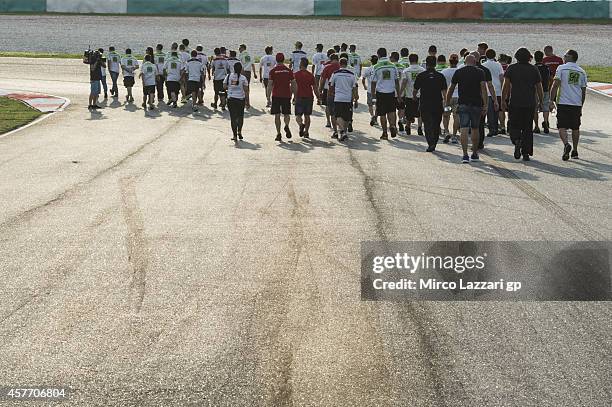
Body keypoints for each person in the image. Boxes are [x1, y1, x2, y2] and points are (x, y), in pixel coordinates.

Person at [502, 47, 543, 162]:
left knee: (514, 125)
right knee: (527, 128)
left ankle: (516, 140)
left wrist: (503, 100)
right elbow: (539, 86)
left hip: (515, 101)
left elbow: (506, 85)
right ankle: (526, 152)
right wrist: (540, 100)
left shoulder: (511, 68)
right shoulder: (534, 69)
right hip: (529, 102)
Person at [446, 54, 488, 163]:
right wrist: (485, 105)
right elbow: (483, 88)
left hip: (463, 103)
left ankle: (465, 155)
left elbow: (451, 88)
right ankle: (474, 153)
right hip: (476, 104)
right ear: (475, 62)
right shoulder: (480, 72)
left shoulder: (459, 72)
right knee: (475, 128)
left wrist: (447, 102)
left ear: (464, 62)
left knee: (464, 128)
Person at [549, 49, 587, 161]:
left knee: (561, 126)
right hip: (576, 103)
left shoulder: (561, 68)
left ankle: (566, 144)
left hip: (563, 102)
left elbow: (555, 85)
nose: (564, 57)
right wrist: (581, 105)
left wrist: (551, 100)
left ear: (570, 57)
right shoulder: (582, 71)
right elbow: (583, 91)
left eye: (565, 55)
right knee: (576, 127)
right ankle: (575, 150)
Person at [414, 56, 447, 152]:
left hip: (425, 103)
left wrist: (414, 97)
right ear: (435, 64)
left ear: (426, 64)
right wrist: (446, 101)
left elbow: (415, 89)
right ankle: (434, 142)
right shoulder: (440, 76)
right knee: (436, 124)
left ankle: (430, 143)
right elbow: (444, 91)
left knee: (427, 124)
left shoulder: (421, 75)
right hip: (437, 103)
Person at [371, 47, 400, 140]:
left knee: (382, 114)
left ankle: (384, 133)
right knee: (391, 111)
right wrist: (398, 94)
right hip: (391, 92)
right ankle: (392, 126)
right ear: (386, 54)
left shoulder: (376, 66)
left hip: (381, 93)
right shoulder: (393, 66)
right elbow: (396, 81)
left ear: (378, 55)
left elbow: (373, 82)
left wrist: (373, 95)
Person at [268, 52, 297, 141]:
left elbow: (269, 85)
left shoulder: (273, 71)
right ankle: (287, 125)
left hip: (276, 95)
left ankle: (278, 133)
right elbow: (293, 84)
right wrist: (295, 96)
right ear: (283, 60)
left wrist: (268, 98)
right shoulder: (289, 71)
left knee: (277, 115)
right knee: (286, 114)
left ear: (276, 60)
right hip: (286, 95)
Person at [473, 51, 498, 149]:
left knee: (471, 124)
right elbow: (490, 86)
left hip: (468, 98)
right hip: (482, 98)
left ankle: (473, 142)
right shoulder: (485, 70)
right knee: (481, 123)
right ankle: (480, 142)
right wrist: (495, 99)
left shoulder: (465, 69)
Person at [329, 57, 358, 141]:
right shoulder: (351, 74)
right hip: (348, 98)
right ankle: (343, 132)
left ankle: (342, 131)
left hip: (338, 98)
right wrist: (356, 98)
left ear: (339, 64)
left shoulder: (335, 73)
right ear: (346, 64)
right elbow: (354, 87)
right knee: (346, 117)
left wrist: (331, 94)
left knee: (338, 115)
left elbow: (331, 85)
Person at [399, 53, 425, 136]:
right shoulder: (422, 70)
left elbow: (403, 83)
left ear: (409, 60)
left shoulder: (406, 71)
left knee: (409, 112)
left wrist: (400, 94)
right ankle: (420, 127)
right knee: (420, 112)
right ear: (417, 60)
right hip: (421, 95)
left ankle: (408, 126)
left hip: (409, 95)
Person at [294, 57, 320, 139]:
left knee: (298, 115)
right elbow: (315, 87)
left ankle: (301, 125)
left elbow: (293, 86)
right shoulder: (310, 75)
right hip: (309, 97)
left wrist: (292, 96)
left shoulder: (296, 75)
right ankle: (306, 132)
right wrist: (318, 97)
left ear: (300, 64)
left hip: (299, 96)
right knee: (307, 115)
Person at [224, 62, 250, 142]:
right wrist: (247, 102)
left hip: (231, 99)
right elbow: (246, 91)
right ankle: (239, 131)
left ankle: (234, 135)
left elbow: (224, 86)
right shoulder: (243, 78)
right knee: (240, 116)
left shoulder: (228, 76)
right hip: (240, 100)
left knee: (233, 118)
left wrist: (231, 87)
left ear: (233, 68)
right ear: (241, 69)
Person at [482, 49, 504, 137]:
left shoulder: (484, 65)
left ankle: (492, 129)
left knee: (490, 112)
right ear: (494, 55)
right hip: (498, 90)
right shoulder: (498, 65)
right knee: (496, 111)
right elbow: (501, 77)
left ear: (486, 56)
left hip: (488, 90)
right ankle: (496, 127)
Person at [319, 53, 341, 138]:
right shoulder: (341, 67)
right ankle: (341, 127)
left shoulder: (327, 67)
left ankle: (330, 124)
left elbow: (323, 80)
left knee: (329, 108)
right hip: (340, 91)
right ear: (338, 59)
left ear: (330, 59)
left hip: (329, 91)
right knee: (339, 110)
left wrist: (320, 91)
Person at [441, 54, 460, 143]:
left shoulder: (444, 72)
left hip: (447, 98)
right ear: (457, 61)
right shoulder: (460, 71)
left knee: (446, 115)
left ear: (449, 61)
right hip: (458, 97)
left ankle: (446, 131)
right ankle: (454, 135)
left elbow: (442, 86)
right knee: (456, 116)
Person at [533, 50, 551, 134]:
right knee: (545, 106)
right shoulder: (546, 67)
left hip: (535, 90)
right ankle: (546, 121)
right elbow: (550, 78)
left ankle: (536, 126)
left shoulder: (533, 68)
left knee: (535, 108)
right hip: (545, 89)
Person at [390, 51, 407, 134]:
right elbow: (404, 80)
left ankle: (393, 126)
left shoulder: (391, 67)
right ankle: (400, 120)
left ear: (393, 58)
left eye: (390, 57)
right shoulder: (403, 67)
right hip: (401, 92)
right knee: (401, 108)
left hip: (392, 92)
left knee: (392, 110)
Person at [362, 54, 378, 127]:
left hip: (370, 90)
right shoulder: (378, 68)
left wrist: (365, 86)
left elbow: (363, 79)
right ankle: (376, 118)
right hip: (378, 90)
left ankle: (372, 116)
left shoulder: (368, 69)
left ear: (370, 61)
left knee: (370, 104)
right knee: (377, 105)